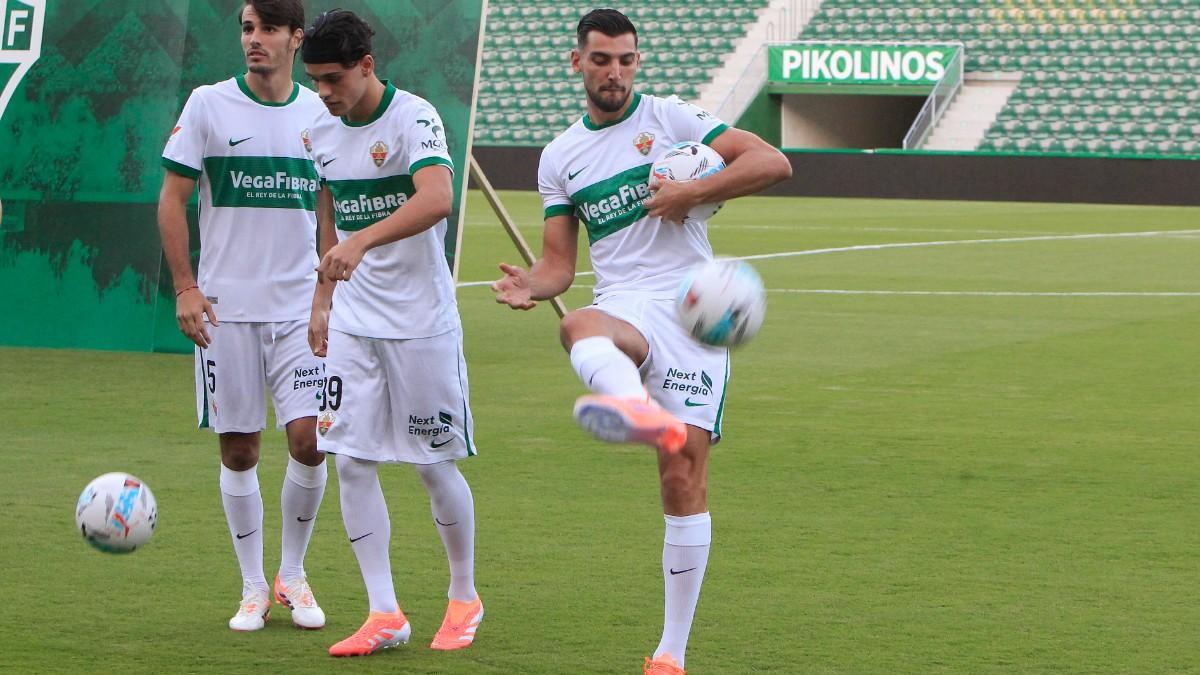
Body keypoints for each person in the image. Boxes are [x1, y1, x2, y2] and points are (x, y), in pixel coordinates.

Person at [492, 8, 792, 674]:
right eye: (601, 59)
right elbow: (560, 267)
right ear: (578, 63)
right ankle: (634, 408)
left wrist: (692, 190)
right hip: (624, 298)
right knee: (576, 322)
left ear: (637, 61)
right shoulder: (560, 156)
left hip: (692, 306)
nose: (615, 72)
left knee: (682, 474)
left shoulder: (673, 119)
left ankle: (670, 653)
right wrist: (532, 286)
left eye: (626, 59)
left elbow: (772, 161)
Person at [300, 9, 483, 658]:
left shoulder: (414, 116)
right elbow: (328, 216)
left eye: (334, 77)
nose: (325, 90)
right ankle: (384, 611)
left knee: (435, 464)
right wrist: (323, 297)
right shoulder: (318, 130)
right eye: (316, 79)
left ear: (366, 65)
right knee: (349, 459)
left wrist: (364, 242)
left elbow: (437, 198)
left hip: (421, 323)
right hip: (353, 321)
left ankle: (464, 595)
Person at [157, 0, 328, 632]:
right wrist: (185, 286)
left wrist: (325, 295)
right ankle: (252, 585)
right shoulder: (206, 104)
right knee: (239, 450)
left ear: (295, 39)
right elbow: (172, 200)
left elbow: (331, 210)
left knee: (311, 442)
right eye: (247, 29)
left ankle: (293, 573)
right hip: (225, 313)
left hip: (298, 313)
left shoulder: (319, 112)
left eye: (267, 30)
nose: (253, 41)